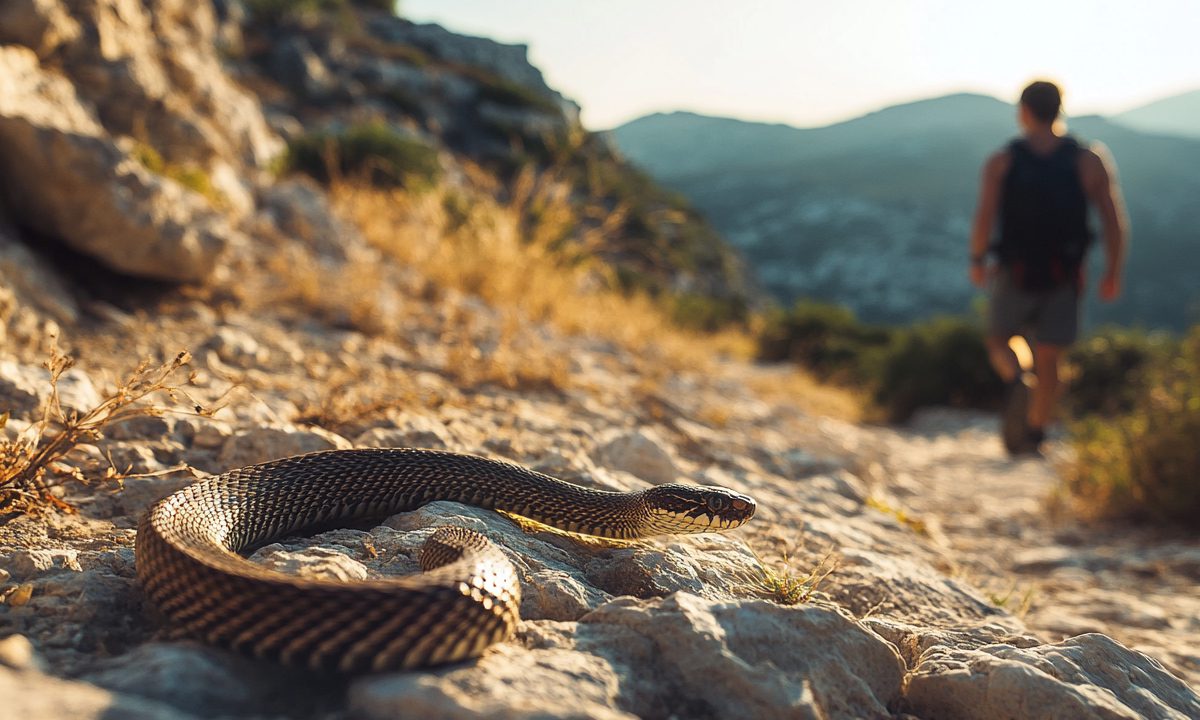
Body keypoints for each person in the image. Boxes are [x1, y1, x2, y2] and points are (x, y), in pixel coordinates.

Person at [969, 80, 1128, 455]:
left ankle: (1016, 377)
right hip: (1066, 272)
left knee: (999, 338)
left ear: (1024, 111)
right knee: (1051, 354)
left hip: (1014, 268)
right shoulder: (1089, 159)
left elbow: (985, 218)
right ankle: (1036, 434)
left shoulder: (1003, 160)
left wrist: (978, 259)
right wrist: (1113, 270)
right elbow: (1113, 220)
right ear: (1059, 109)